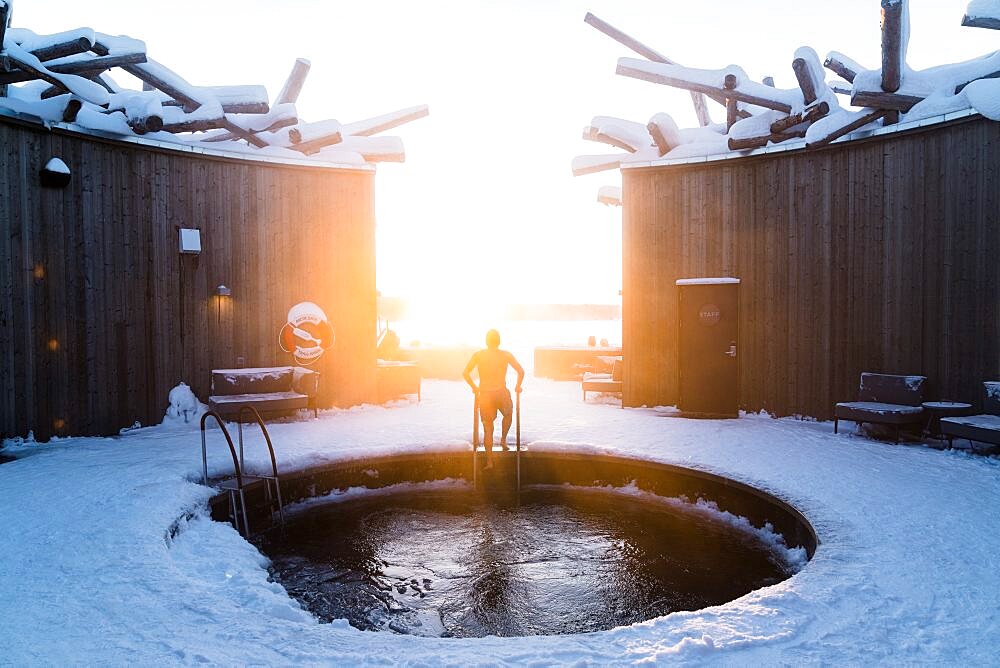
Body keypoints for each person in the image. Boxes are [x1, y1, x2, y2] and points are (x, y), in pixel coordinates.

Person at [463, 329, 525, 470]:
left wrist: (474, 387)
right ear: (499, 341)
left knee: (488, 428)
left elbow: (465, 373)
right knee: (508, 415)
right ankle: (503, 439)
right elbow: (521, 371)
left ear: (486, 341)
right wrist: (517, 386)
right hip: (501, 392)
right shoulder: (505, 355)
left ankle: (490, 462)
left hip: (485, 393)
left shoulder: (478, 355)